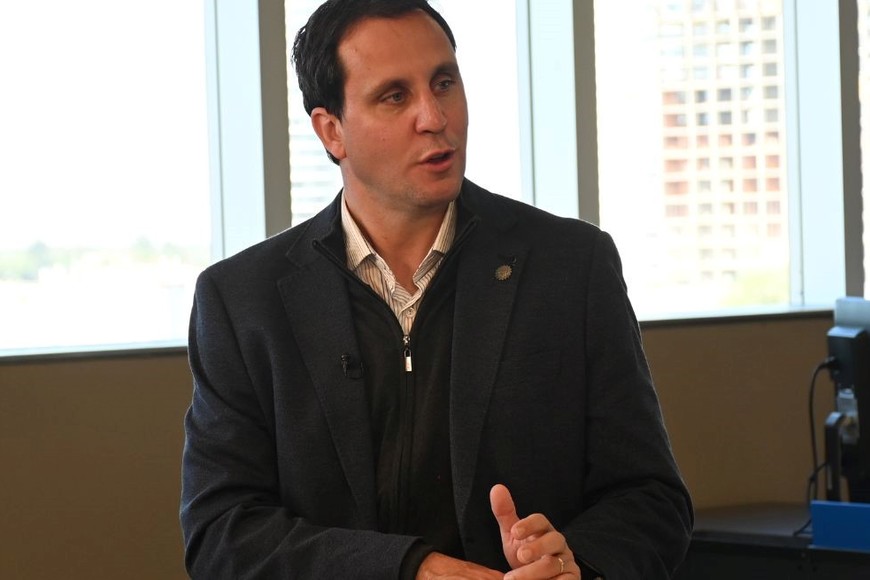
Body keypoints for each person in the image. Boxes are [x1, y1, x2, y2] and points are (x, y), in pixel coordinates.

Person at [180, 0, 693, 578]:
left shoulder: (573, 265)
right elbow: (222, 535)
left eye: (444, 83)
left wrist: (579, 564)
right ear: (332, 131)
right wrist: (410, 570)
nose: (434, 116)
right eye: (394, 96)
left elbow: (651, 498)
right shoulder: (242, 300)